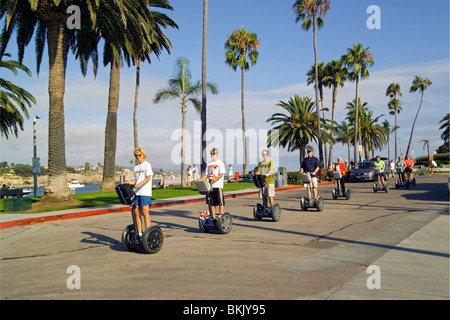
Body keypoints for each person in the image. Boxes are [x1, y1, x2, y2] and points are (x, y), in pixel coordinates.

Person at [124, 147, 154, 240]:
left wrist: (140, 184)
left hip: (145, 192)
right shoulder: (136, 168)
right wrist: (126, 183)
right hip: (136, 193)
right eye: (136, 155)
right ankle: (140, 234)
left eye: (139, 155)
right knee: (136, 212)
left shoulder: (147, 165)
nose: (138, 157)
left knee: (145, 212)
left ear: (143, 155)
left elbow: (148, 177)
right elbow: (135, 180)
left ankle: (147, 233)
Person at [200, 148, 226, 223]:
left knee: (220, 202)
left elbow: (221, 174)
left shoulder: (220, 163)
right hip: (210, 186)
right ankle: (214, 218)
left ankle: (221, 218)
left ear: (217, 154)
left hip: (218, 185)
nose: (212, 155)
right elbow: (206, 174)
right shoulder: (209, 164)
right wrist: (200, 179)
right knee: (211, 203)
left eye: (213, 154)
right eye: (211, 154)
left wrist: (216, 178)